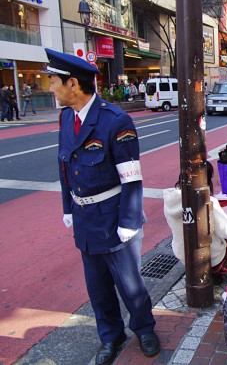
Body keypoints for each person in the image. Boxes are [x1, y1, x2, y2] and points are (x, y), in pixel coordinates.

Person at [45, 48, 160, 364]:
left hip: (114, 218)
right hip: (85, 218)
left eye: (53, 81)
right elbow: (65, 165)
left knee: (130, 285)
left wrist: (129, 221)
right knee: (97, 288)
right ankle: (111, 336)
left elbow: (132, 178)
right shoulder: (66, 117)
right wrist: (68, 207)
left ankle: (144, 328)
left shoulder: (115, 121)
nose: (49, 87)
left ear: (73, 84)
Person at [164, 162, 227, 282]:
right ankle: (217, 271)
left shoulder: (170, 200)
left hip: (183, 255)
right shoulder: (207, 200)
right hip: (210, 258)